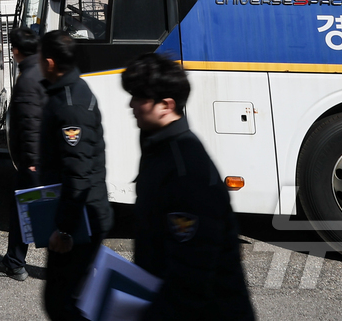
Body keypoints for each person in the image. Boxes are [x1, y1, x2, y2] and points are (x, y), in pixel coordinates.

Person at [121, 53, 254, 320]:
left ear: (166, 106)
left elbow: (191, 277)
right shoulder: (158, 147)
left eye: (139, 97)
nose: (131, 104)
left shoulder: (186, 170)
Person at [38, 30, 112, 321]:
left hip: (82, 222)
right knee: (65, 299)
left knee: (61, 302)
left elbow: (78, 172)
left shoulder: (70, 106)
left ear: (51, 63)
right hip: (79, 216)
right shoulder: (66, 91)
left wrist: (65, 230)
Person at [0, 26, 45, 281]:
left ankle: (16, 264)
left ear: (17, 51)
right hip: (38, 160)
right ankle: (15, 262)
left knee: (31, 214)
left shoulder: (29, 78)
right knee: (28, 212)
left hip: (33, 162)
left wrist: (30, 163)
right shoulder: (38, 70)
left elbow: (31, 125)